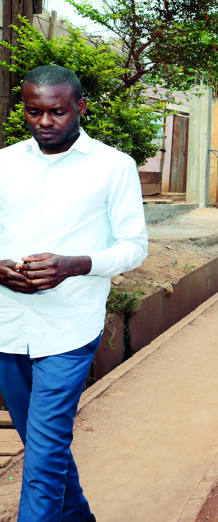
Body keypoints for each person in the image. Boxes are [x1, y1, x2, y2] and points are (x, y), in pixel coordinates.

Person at [0, 65, 148, 521]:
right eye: (33, 112)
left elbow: (133, 248)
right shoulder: (4, 163)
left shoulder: (113, 166)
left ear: (79, 108)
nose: (45, 122)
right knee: (41, 444)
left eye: (57, 112)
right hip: (7, 326)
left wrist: (74, 265)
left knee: (42, 459)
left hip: (69, 329)